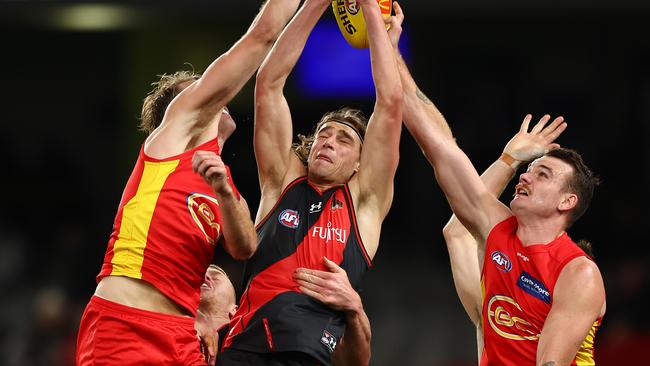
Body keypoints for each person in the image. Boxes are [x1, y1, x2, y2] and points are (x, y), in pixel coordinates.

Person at [75, 1, 301, 364]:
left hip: (180, 336)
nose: (212, 92)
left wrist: (226, 192)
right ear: (179, 106)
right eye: (198, 88)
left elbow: (243, 248)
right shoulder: (168, 141)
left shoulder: (221, 181)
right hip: (125, 324)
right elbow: (263, 34)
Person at [387, 3, 607, 365]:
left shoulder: (577, 271)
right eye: (530, 168)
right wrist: (390, 47)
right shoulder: (498, 232)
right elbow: (439, 148)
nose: (526, 176)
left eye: (543, 174)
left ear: (567, 202)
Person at [218, 0, 402, 364]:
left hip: (307, 356)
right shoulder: (281, 180)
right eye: (323, 134)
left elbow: (391, 102)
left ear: (360, 163)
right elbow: (268, 83)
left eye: (344, 139)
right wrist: (316, 4)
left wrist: (369, 13)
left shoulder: (364, 203)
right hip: (241, 350)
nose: (329, 142)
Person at [195, 261, 371, 366]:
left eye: (215, 275)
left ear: (235, 310)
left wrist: (355, 308)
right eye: (199, 274)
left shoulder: (273, 325)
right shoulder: (175, 333)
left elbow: (354, 363)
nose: (205, 277)